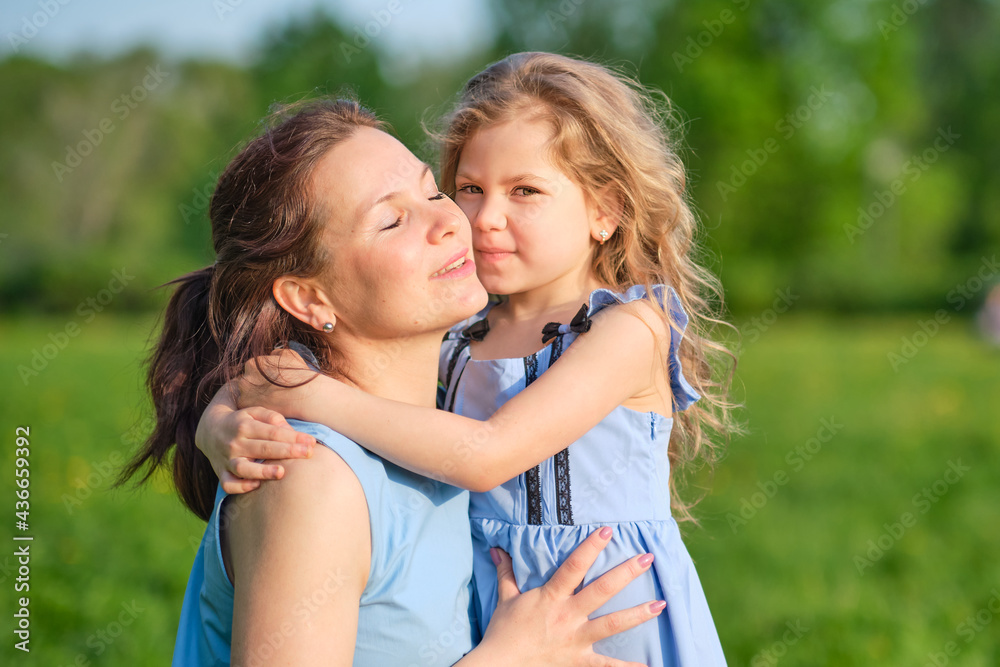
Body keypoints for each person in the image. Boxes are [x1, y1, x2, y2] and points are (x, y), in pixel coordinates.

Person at [201, 53, 738, 665]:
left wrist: (318, 398)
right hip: (496, 608)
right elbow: (270, 377)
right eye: (470, 190)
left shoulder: (630, 328)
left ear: (603, 211)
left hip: (603, 608)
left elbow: (486, 455)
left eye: (525, 192)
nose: (485, 219)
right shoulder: (462, 330)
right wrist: (217, 423)